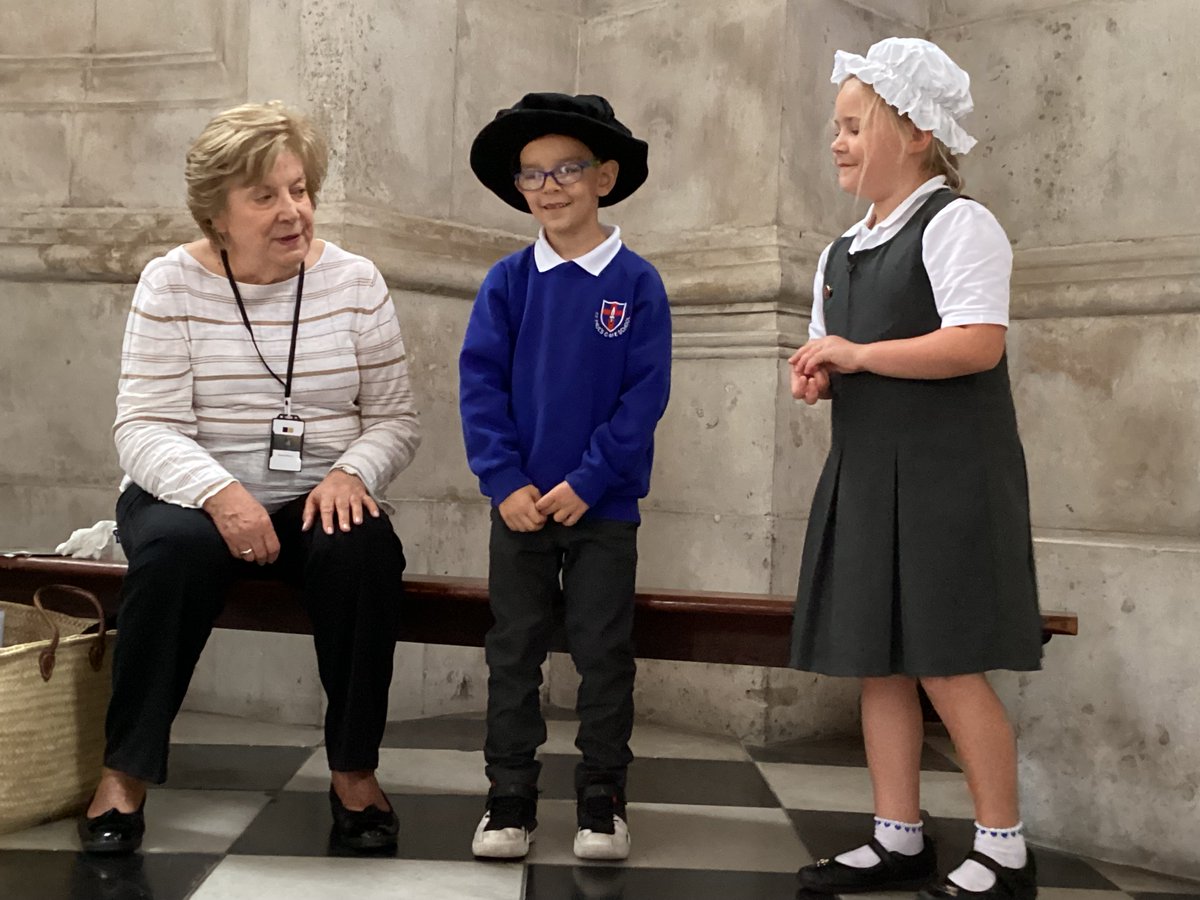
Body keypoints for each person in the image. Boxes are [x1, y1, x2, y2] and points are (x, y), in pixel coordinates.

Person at [79, 101, 420, 855]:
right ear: (218, 213)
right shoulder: (170, 283)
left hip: (313, 498)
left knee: (362, 549)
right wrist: (219, 493)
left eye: (299, 189)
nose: (292, 211)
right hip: (190, 497)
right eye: (265, 196)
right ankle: (123, 776)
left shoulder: (356, 283)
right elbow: (142, 426)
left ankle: (354, 772)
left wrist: (351, 471)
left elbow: (396, 420)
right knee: (171, 554)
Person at [788, 39, 1042, 900]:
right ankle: (897, 834)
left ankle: (1004, 847)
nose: (837, 141)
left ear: (918, 133)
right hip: (867, 475)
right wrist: (823, 369)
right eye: (836, 127)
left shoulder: (959, 226)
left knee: (946, 659)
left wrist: (858, 354)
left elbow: (975, 344)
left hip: (945, 482)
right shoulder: (839, 252)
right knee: (879, 658)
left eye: (855, 125)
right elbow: (855, 355)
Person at [459, 92, 671, 862]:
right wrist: (504, 480)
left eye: (567, 170)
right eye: (533, 176)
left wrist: (589, 480)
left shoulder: (637, 284)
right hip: (518, 509)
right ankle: (509, 795)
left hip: (602, 508)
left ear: (605, 177)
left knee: (603, 651)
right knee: (512, 650)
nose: (549, 187)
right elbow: (480, 387)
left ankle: (602, 799)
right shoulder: (509, 283)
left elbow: (643, 397)